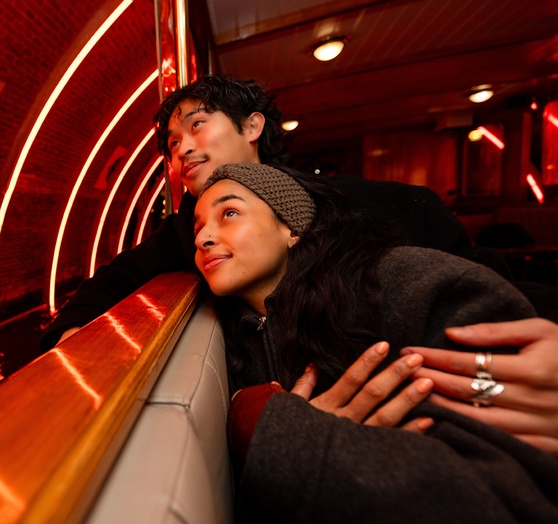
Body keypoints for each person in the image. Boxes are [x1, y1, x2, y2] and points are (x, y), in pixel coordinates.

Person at [39, 74, 558, 454]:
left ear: (253, 126)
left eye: (197, 126)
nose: (182, 151)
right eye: (172, 145)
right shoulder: (187, 236)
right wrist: (67, 341)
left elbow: (482, 295)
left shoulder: (390, 214)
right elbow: (118, 277)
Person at [195, 162, 558, 523]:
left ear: (292, 227)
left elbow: (509, 498)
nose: (204, 238)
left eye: (229, 213)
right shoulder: (235, 341)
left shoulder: (406, 284)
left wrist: (265, 427)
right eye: (198, 227)